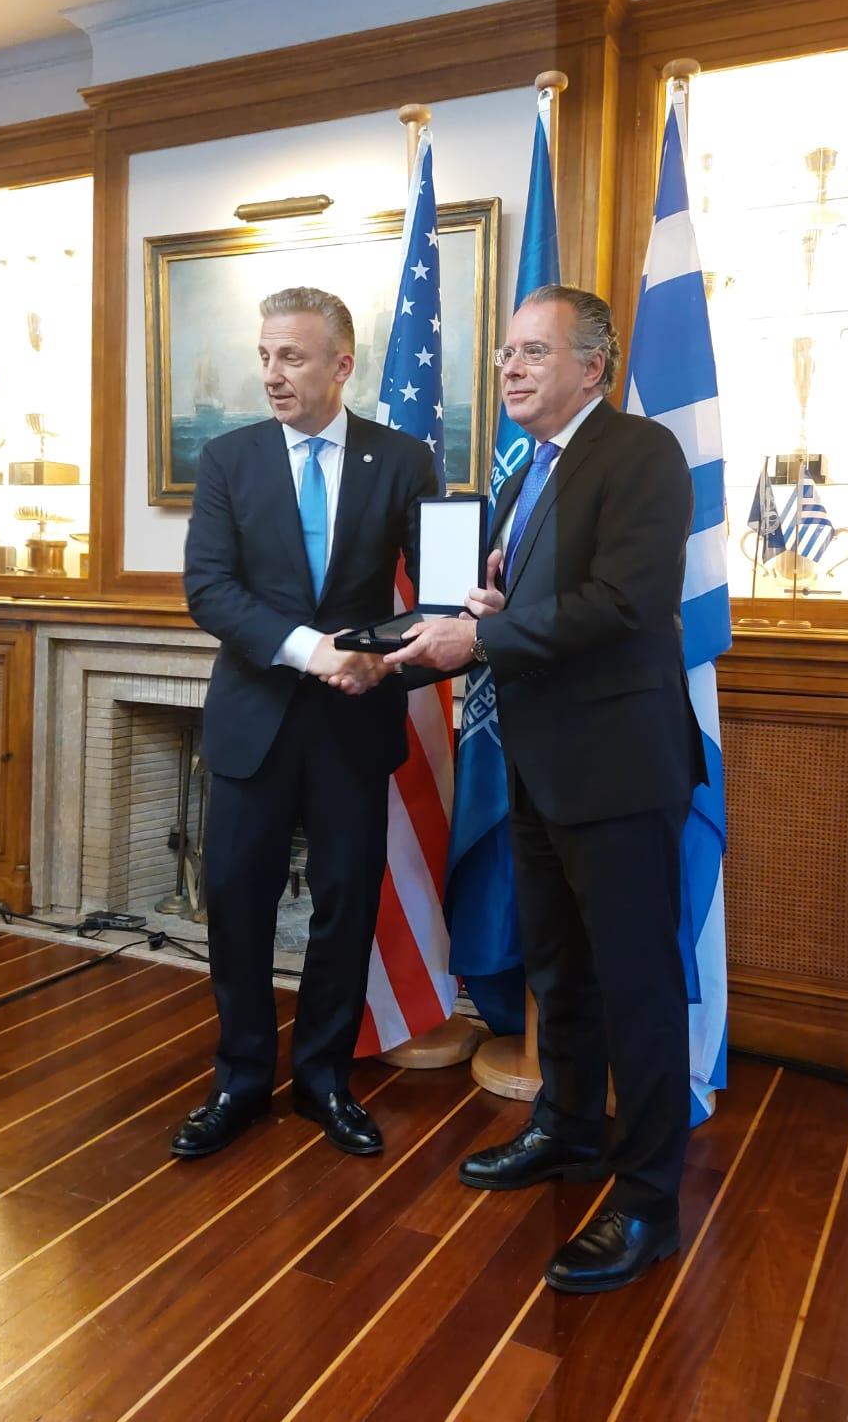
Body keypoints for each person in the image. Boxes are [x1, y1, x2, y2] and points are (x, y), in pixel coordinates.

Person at [388, 283, 707, 1295]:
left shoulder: (640, 453)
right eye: (504, 354)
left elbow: (624, 602)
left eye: (532, 351)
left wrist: (480, 635)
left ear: (592, 365)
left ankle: (647, 1199)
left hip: (617, 770)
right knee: (559, 972)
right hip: (538, 763)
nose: (509, 368)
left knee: (636, 986)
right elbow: (546, 605)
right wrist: (492, 606)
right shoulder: (531, 469)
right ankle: (567, 1129)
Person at [174, 286, 437, 1161]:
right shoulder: (229, 459)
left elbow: (434, 600)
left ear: (341, 364)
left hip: (354, 723)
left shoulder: (402, 460)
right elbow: (210, 589)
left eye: (291, 357)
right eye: (264, 356)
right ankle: (241, 1078)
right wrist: (310, 651)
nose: (272, 374)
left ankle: (324, 1078)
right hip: (253, 721)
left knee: (346, 906)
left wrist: (380, 659)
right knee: (236, 904)